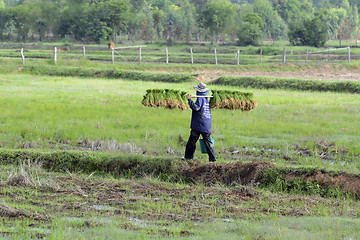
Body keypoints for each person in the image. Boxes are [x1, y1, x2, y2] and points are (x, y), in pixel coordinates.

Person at [183, 82, 216, 162]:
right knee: (208, 141)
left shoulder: (200, 98)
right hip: (207, 123)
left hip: (199, 124)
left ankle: (188, 157)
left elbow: (196, 108)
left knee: (192, 141)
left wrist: (190, 100)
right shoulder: (206, 99)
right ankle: (212, 158)